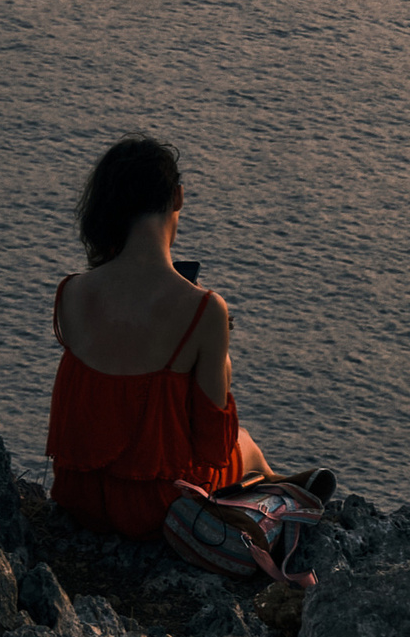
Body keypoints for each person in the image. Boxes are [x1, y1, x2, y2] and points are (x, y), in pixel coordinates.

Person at [46, 135, 284, 539]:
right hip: (158, 510)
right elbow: (212, 446)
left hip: (80, 497)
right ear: (178, 197)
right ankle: (292, 507)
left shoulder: (71, 292)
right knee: (249, 451)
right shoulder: (204, 308)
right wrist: (221, 363)